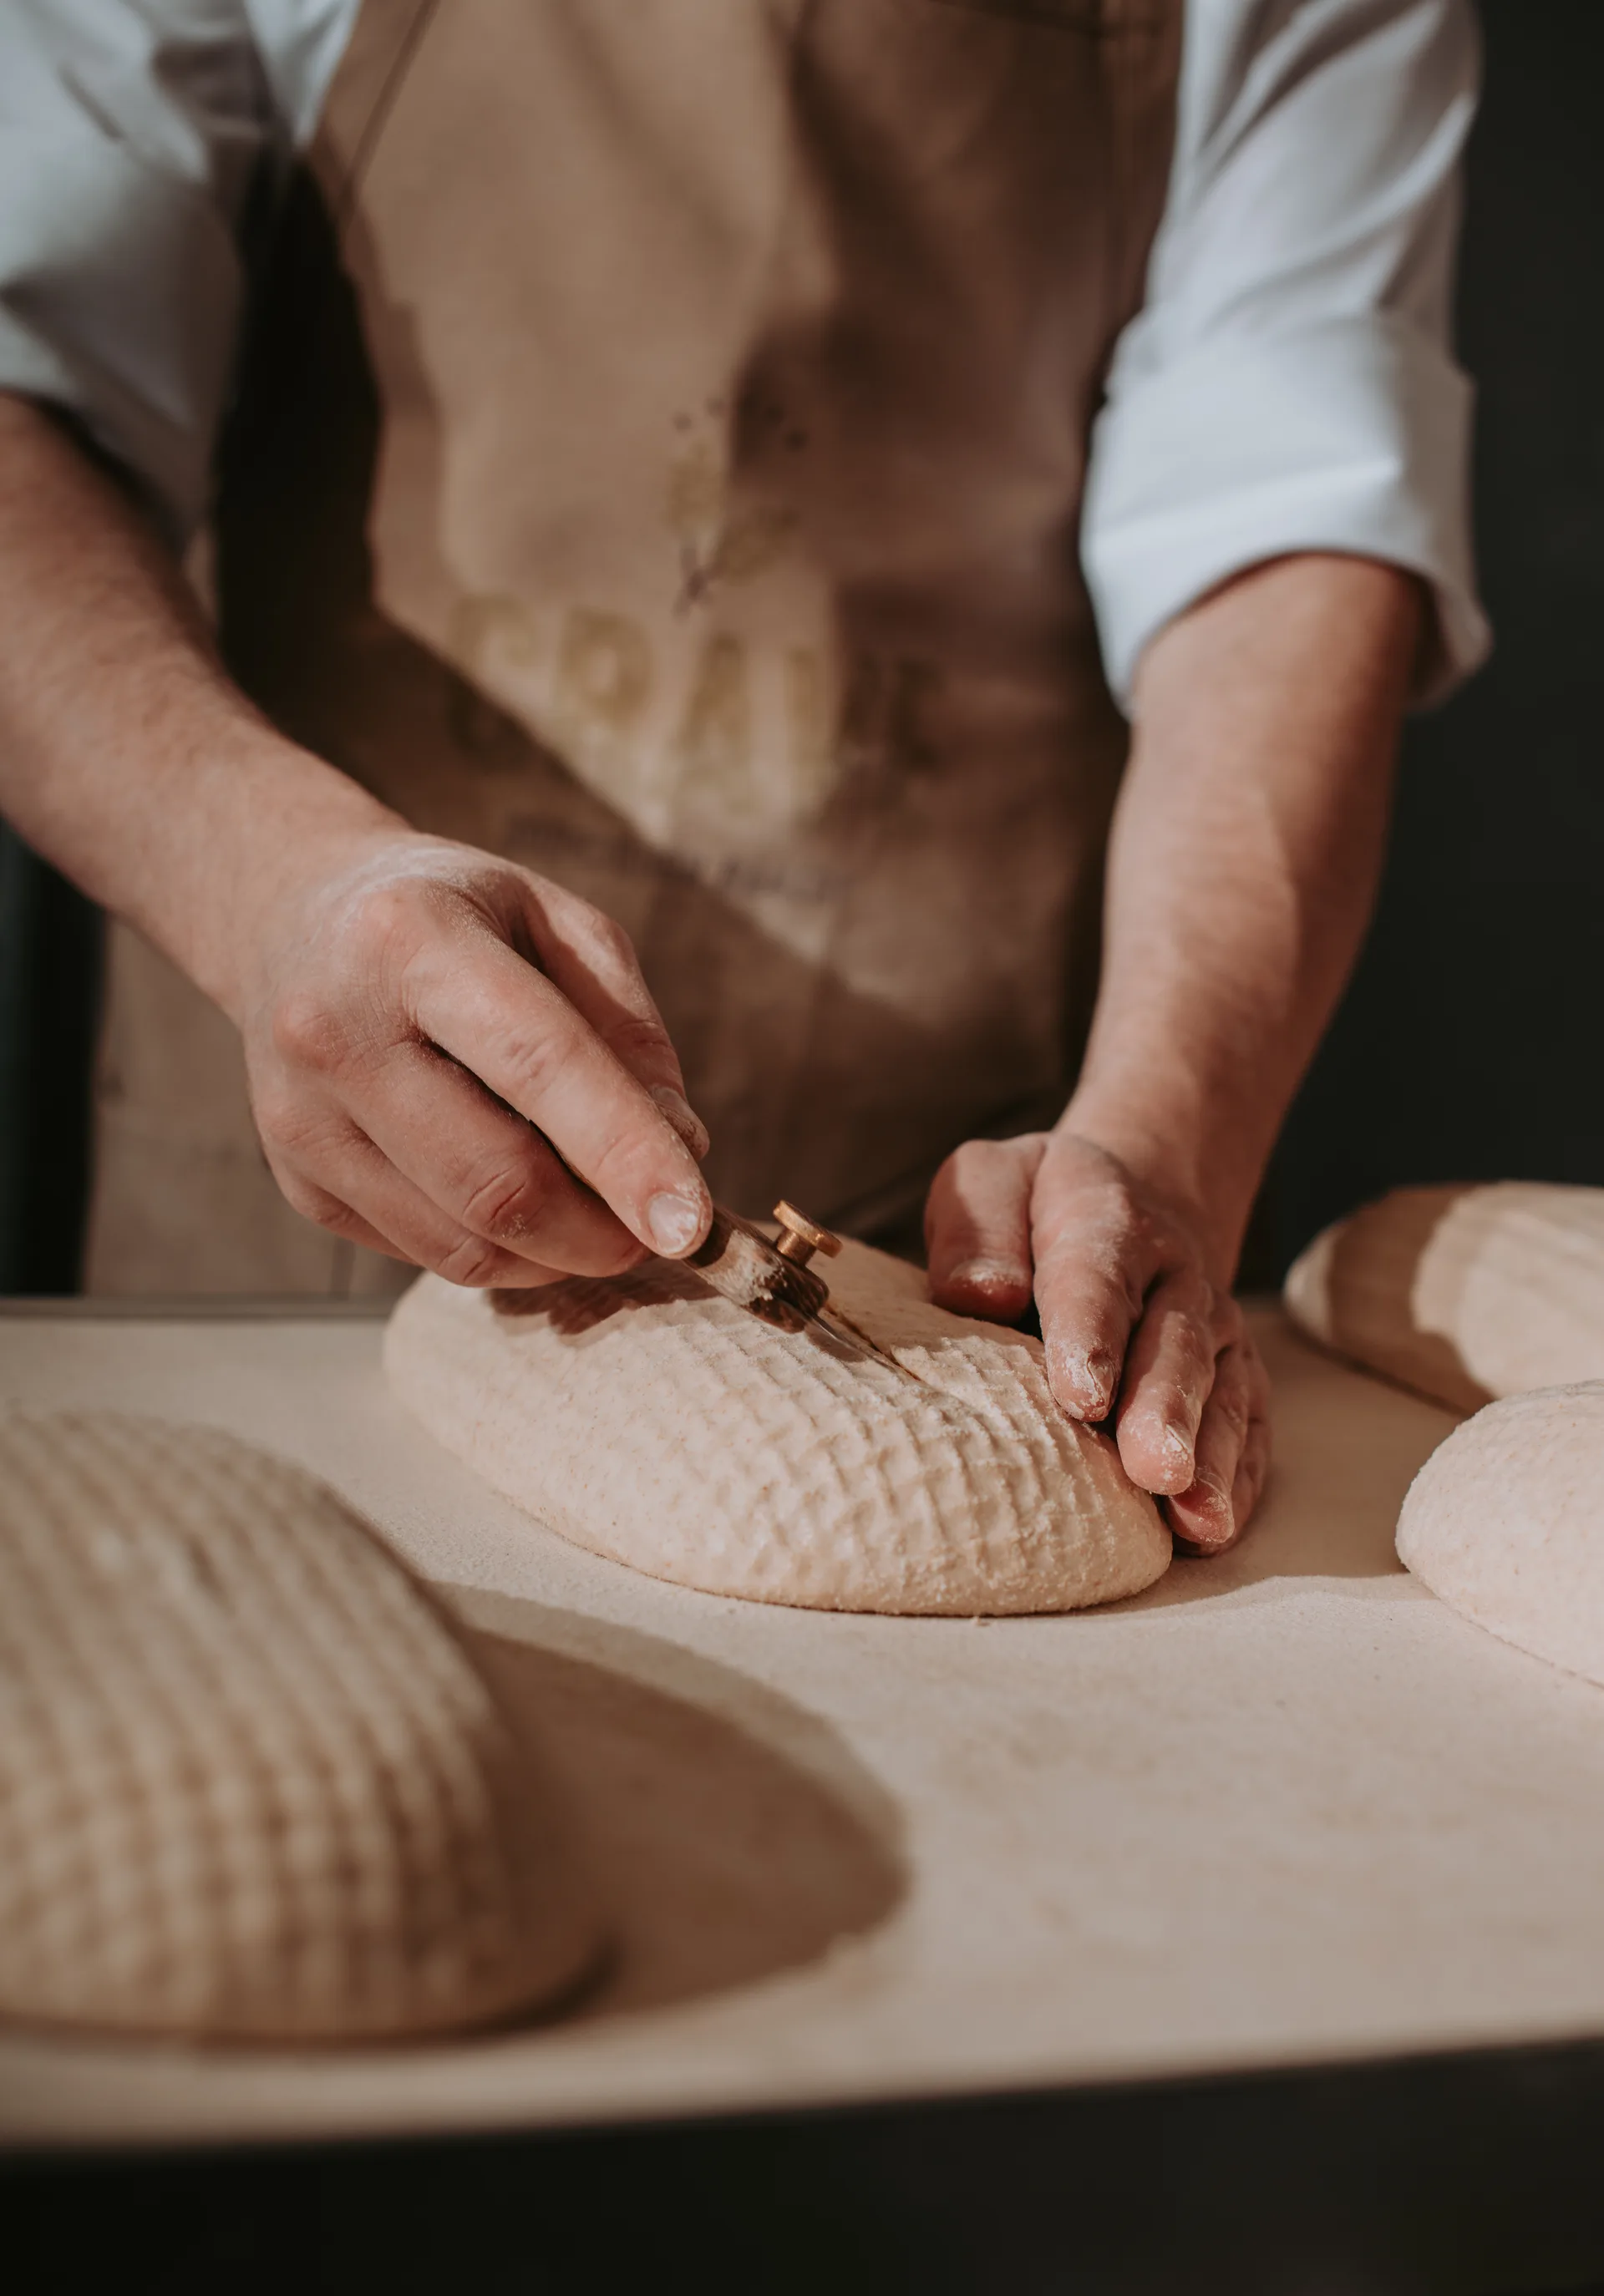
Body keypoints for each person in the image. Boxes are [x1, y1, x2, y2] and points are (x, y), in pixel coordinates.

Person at [0, 0, 1487, 1554]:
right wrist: (269, 878)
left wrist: (1167, 1133)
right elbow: (23, 376)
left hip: (952, 1254)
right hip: (288, 1152)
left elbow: (1285, 524)